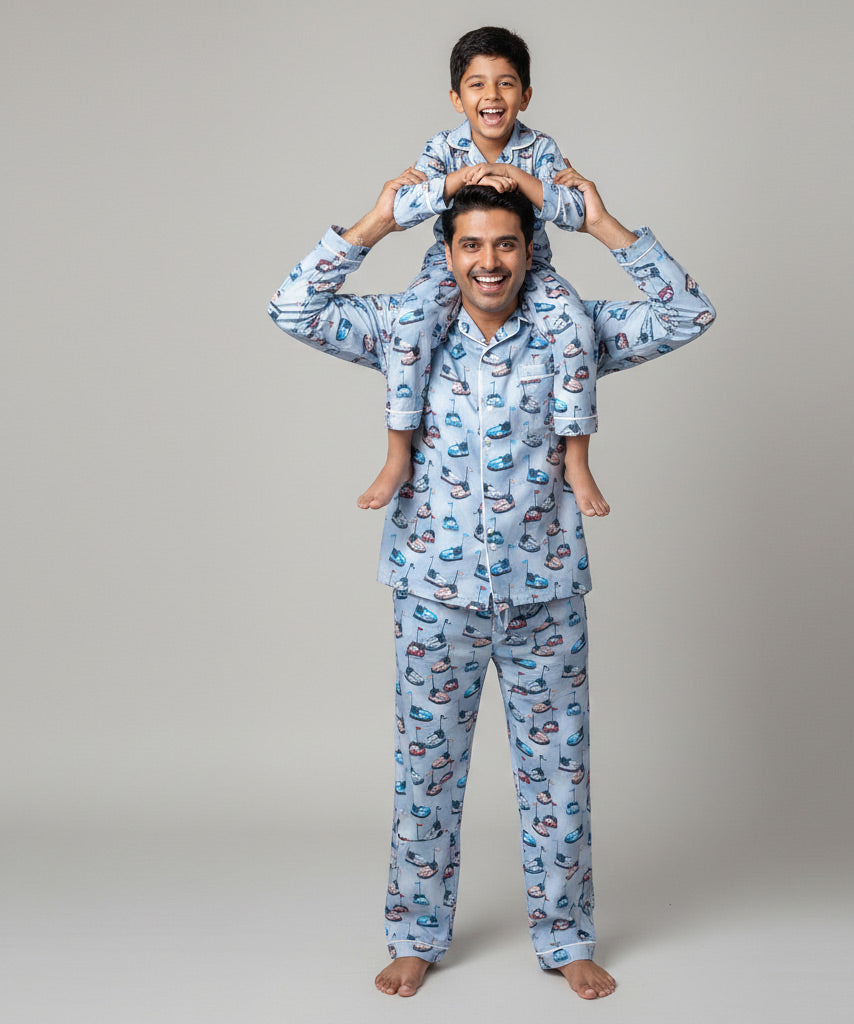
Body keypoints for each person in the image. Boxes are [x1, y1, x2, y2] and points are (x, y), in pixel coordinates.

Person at [267, 168, 715, 999]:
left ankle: (567, 937)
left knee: (561, 776)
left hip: (544, 597)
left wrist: (601, 220)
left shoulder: (571, 329)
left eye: (505, 243)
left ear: (528, 250)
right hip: (436, 597)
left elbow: (689, 312)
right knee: (425, 772)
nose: (488, 261)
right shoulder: (408, 327)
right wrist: (374, 219)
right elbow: (292, 308)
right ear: (448, 252)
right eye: (470, 244)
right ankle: (415, 934)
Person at [359, 26, 610, 520]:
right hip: (450, 265)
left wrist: (521, 180)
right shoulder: (443, 148)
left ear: (526, 94)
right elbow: (402, 207)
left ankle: (577, 461)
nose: (492, 96)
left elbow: (575, 210)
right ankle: (396, 456)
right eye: (477, 84)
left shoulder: (540, 148)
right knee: (409, 325)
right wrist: (461, 179)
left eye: (506, 83)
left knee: (577, 327)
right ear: (457, 97)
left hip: (528, 269)